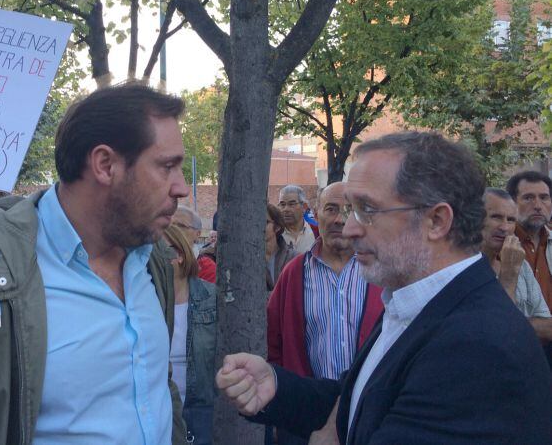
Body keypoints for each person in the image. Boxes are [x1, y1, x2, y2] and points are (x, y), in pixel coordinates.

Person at [0, 84, 192, 445]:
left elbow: (156, 391)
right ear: (105, 165)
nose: (181, 188)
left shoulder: (153, 262)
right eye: (167, 167)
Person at [217, 132, 552, 443]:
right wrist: (276, 387)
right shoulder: (414, 301)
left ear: (436, 221)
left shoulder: (476, 345)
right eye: (349, 209)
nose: (348, 229)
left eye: (367, 210)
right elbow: (364, 399)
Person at [267, 182, 383, 444]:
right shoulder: (294, 273)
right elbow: (273, 342)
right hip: (305, 412)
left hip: (369, 411)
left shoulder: (381, 272)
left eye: (350, 210)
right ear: (316, 213)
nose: (340, 219)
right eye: (331, 209)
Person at [165, 225, 216, 445]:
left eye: (161, 252)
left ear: (180, 255)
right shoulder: (144, 300)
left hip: (203, 411)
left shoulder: (212, 297)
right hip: (162, 410)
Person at [480, 188, 552, 344]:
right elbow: (497, 328)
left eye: (511, 220)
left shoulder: (521, 264)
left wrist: (517, 324)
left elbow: (547, 325)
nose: (504, 227)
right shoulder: (462, 265)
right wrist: (509, 275)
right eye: (496, 217)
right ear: (475, 219)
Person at [506, 170, 552, 311]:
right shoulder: (501, 247)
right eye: (528, 198)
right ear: (512, 203)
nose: (538, 205)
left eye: (544, 197)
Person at [173, 206, 215, 283]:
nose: (174, 231)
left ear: (197, 234)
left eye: (181, 226)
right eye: (170, 226)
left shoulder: (208, 268)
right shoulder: (156, 262)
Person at [277, 185, 316, 254]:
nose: (286, 209)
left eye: (291, 204)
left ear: (304, 207)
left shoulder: (316, 232)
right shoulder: (275, 233)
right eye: (282, 204)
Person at [265, 205, 293, 291]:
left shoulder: (293, 258)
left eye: (265, 222)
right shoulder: (248, 258)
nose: (258, 226)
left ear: (277, 227)